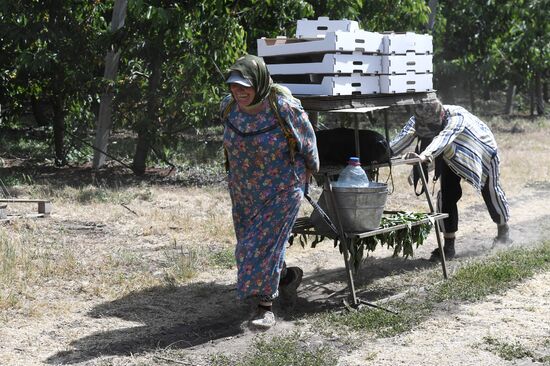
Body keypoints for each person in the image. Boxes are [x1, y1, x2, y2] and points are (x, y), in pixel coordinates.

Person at [221, 54, 319, 328]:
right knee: (251, 243)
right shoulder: (229, 107)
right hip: (243, 190)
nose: (238, 91)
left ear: (260, 83)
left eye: (244, 85)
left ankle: (265, 308)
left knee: (258, 247)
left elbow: (308, 142)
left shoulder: (283, 107)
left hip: (282, 188)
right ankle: (287, 278)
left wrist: (311, 169)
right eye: (233, 85)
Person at [390, 98, 511, 261]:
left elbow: (443, 138)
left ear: (440, 118)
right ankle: (448, 247)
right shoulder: (421, 116)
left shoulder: (456, 119)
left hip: (482, 152)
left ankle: (503, 233)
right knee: (447, 195)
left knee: (490, 191)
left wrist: (424, 156)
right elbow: (405, 135)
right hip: (450, 154)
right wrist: (385, 152)